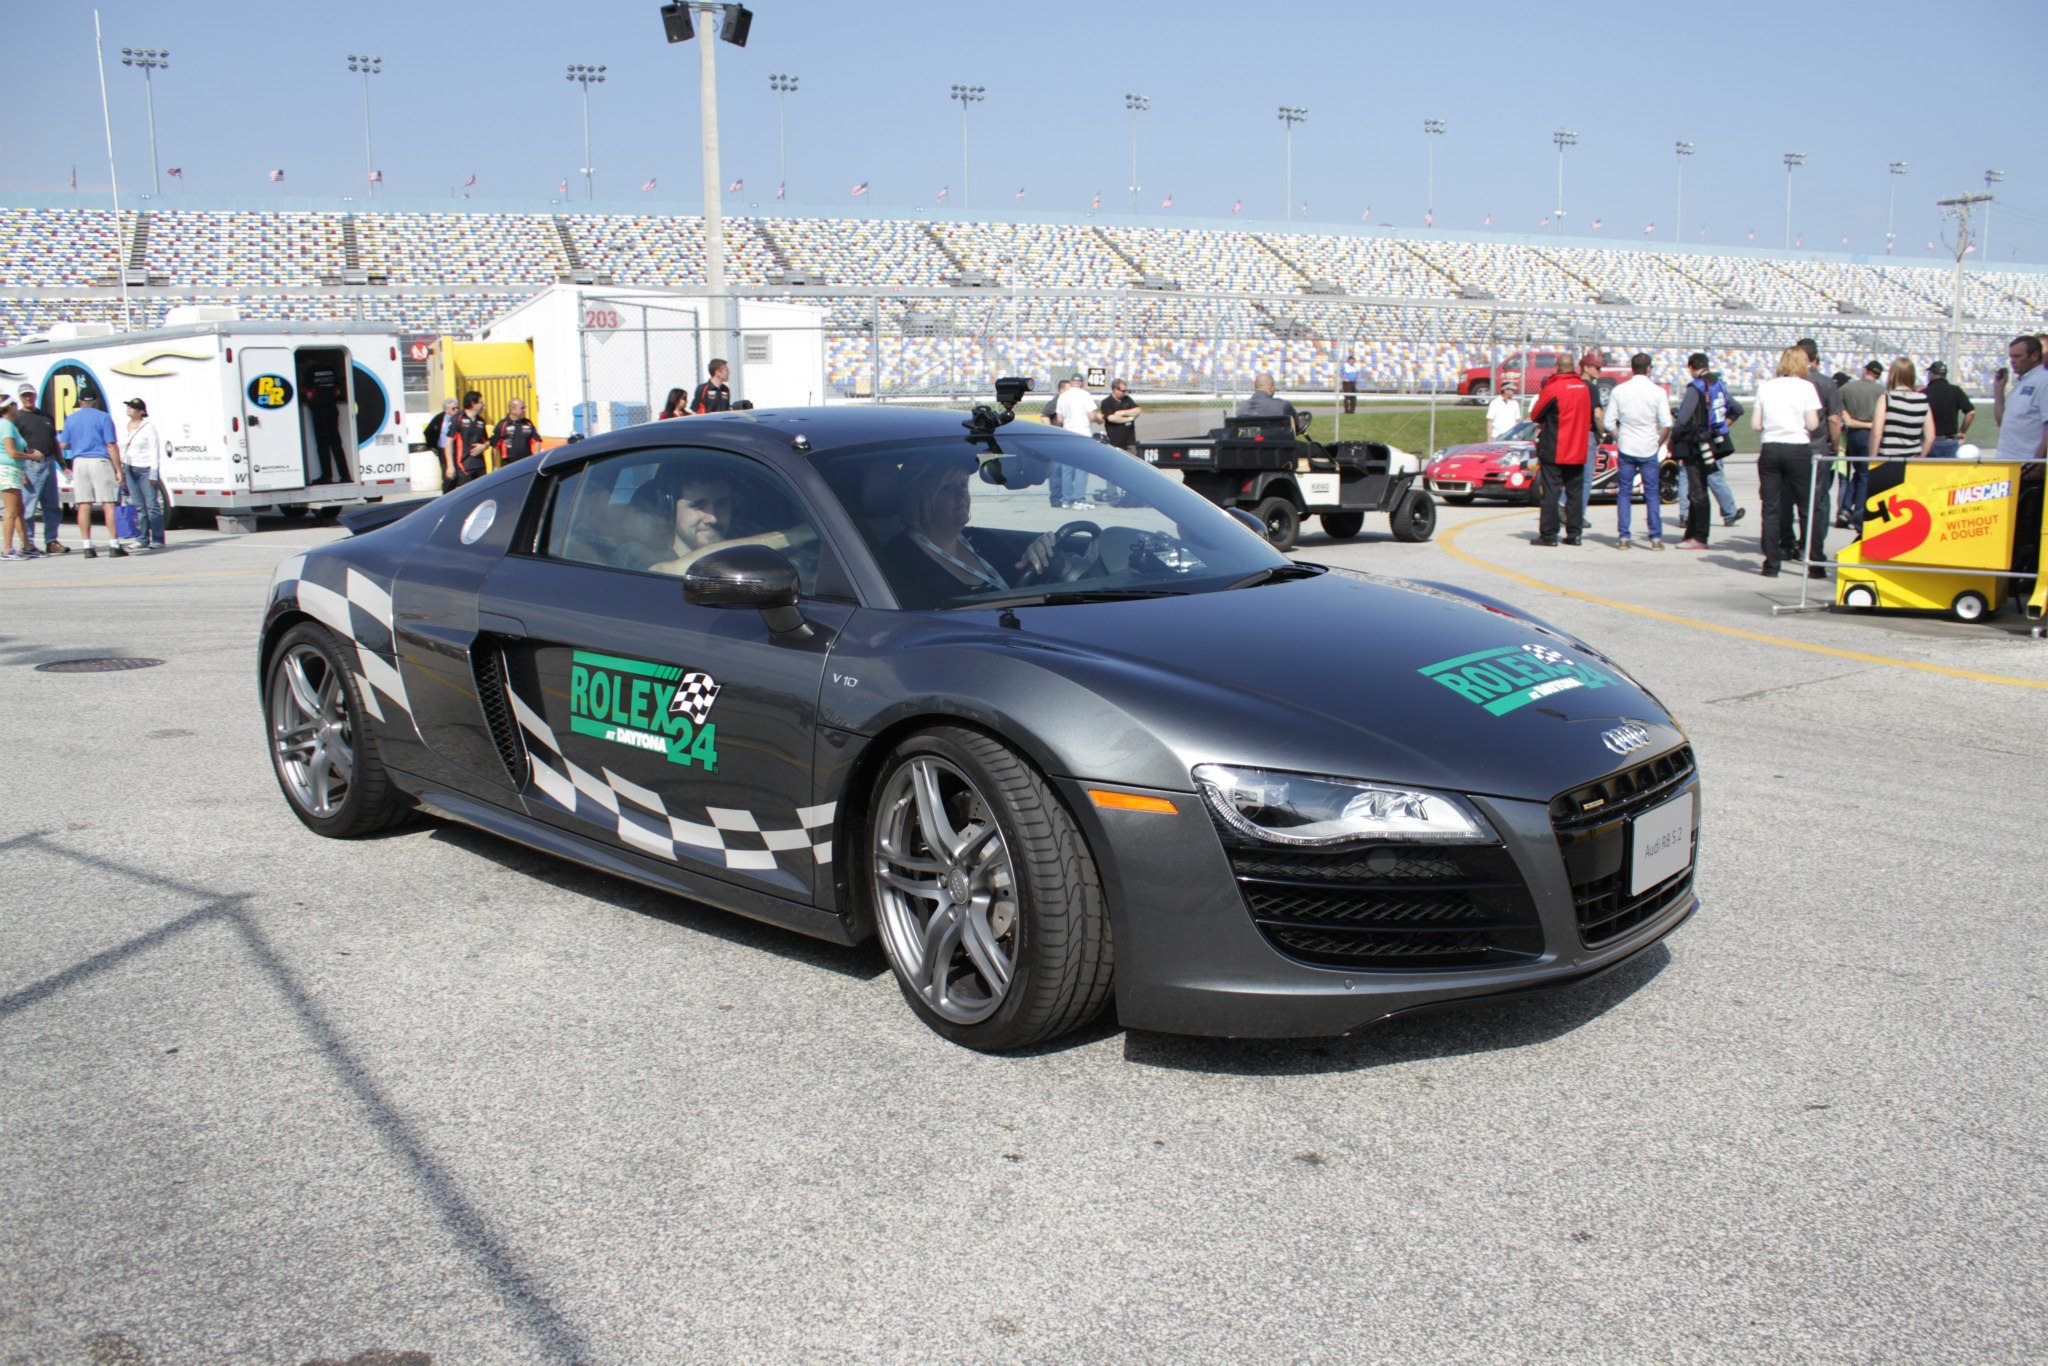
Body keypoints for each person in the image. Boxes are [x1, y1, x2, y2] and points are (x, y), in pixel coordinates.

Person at [884, 456, 1067, 608]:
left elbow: (1023, 577)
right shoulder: (900, 558)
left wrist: (1037, 552)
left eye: (963, 484)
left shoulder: (980, 539)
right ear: (921, 497)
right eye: (947, 488)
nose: (960, 494)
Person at [646, 469, 817, 577]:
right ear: (670, 510)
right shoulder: (639, 553)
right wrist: (794, 535)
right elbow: (667, 571)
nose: (712, 517)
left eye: (721, 504)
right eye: (698, 505)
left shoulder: (752, 554)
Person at [1749, 346, 1822, 579]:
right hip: (1797, 446)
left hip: (1771, 446)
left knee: (1771, 507)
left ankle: (1771, 563)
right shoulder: (1806, 387)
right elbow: (1812, 424)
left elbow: (1756, 424)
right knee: (1806, 507)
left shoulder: (1767, 386)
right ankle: (1814, 561)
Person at [1994, 334, 2048, 588]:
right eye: (2011, 356)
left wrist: (2039, 460)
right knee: (2008, 527)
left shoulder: (2043, 382)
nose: (2012, 361)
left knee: (2024, 528)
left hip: (2026, 468)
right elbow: (2002, 421)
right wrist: (1998, 391)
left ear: (2034, 356)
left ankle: (2024, 576)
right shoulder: (2021, 384)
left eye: (2018, 356)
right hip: (2008, 465)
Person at [1605, 353, 1669, 550]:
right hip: (1648, 446)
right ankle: (1655, 538)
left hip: (1627, 445)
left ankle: (1624, 536)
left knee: (1624, 492)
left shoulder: (1620, 390)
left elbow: (1608, 422)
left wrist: (1619, 437)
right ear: (1648, 369)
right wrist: (1658, 442)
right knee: (1651, 493)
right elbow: (1667, 423)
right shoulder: (1657, 392)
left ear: (1632, 368)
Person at [1529, 359, 1594, 546]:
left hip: (1556, 447)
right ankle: (1574, 534)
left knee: (1551, 492)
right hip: (1578, 447)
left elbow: (1535, 414)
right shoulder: (1583, 388)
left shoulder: (1554, 387)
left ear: (1558, 367)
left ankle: (1549, 535)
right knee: (1575, 492)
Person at [1793, 339, 1844, 567]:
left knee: (1788, 498)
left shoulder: (1788, 382)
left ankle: (1787, 543)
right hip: (1817, 447)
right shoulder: (1825, 383)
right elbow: (1834, 418)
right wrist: (1835, 444)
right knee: (1818, 500)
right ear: (1815, 358)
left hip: (1793, 444)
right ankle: (1813, 545)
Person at [59, 392, 125, 559]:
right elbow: (111, 445)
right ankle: (114, 544)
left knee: (83, 504)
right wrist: (118, 469)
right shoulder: (104, 417)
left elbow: (64, 443)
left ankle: (87, 546)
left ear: (80, 401)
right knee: (108, 503)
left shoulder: (71, 418)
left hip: (79, 462)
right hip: (99, 460)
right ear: (95, 401)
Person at [13, 384, 64, 554]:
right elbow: (14, 446)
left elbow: (54, 441)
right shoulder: (17, 418)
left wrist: (62, 463)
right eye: (24, 395)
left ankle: (52, 541)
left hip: (49, 462)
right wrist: (21, 471)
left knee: (52, 506)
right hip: (30, 466)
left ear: (35, 396)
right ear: (20, 397)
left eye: (30, 395)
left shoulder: (46, 416)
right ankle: (27, 543)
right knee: (28, 507)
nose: (28, 398)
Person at [1836, 360, 1884, 532]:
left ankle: (1845, 508)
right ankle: (1857, 512)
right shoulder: (1882, 391)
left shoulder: (1848, 388)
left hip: (1853, 433)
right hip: (1872, 432)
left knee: (1856, 473)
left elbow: (1837, 403)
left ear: (1865, 370)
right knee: (1865, 475)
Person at [119, 397, 168, 551]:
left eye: (132, 407)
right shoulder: (127, 426)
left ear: (141, 412)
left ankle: (158, 539)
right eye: (128, 406)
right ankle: (142, 538)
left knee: (152, 505)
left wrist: (154, 472)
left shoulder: (148, 427)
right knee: (139, 505)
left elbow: (155, 450)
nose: (129, 409)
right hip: (129, 468)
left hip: (145, 469)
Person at [1053, 373, 1102, 508]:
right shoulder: (1084, 395)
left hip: (1068, 433)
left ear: (1071, 382)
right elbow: (1092, 416)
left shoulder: (1063, 396)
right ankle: (1079, 498)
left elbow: (1060, 419)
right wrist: (1099, 419)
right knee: (1081, 468)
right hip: (1082, 433)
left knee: (1067, 468)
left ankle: (1067, 499)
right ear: (1082, 383)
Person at [0, 394, 39, 561]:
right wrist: (33, 457)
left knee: (19, 510)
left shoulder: (7, 425)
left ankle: (26, 546)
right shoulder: (7, 426)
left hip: (13, 470)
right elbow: (12, 452)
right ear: (10, 408)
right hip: (8, 470)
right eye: (15, 404)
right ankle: (7, 550)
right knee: (10, 512)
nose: (17, 407)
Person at [303, 356, 347, 484]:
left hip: (319, 411)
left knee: (322, 445)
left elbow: (309, 394)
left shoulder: (310, 372)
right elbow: (337, 392)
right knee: (336, 445)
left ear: (308, 361)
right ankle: (345, 476)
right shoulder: (330, 370)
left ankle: (327, 476)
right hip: (332, 410)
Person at [1923, 360, 1974, 460]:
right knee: (1949, 474)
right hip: (1950, 441)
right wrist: (1962, 431)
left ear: (1931, 374)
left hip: (1929, 442)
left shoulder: (1924, 393)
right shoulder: (1955, 391)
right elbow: (1971, 412)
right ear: (1945, 375)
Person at [445, 390, 489, 488]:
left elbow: (487, 441)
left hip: (480, 466)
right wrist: (450, 466)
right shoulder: (458, 419)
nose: (483, 405)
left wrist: (484, 446)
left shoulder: (481, 421)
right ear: (473, 403)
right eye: (481, 402)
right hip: (464, 466)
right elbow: (449, 442)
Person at [491, 397, 543, 465]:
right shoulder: (503, 424)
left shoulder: (528, 423)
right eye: (522, 408)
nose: (525, 410)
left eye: (525, 407)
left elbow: (537, 441)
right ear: (513, 409)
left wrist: (537, 459)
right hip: (508, 464)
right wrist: (495, 466)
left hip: (526, 462)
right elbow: (495, 446)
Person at [1236, 372, 1301, 422]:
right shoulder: (1283, 405)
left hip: (1249, 439)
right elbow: (1296, 424)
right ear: (1271, 387)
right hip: (1274, 439)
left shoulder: (1242, 407)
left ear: (1255, 387)